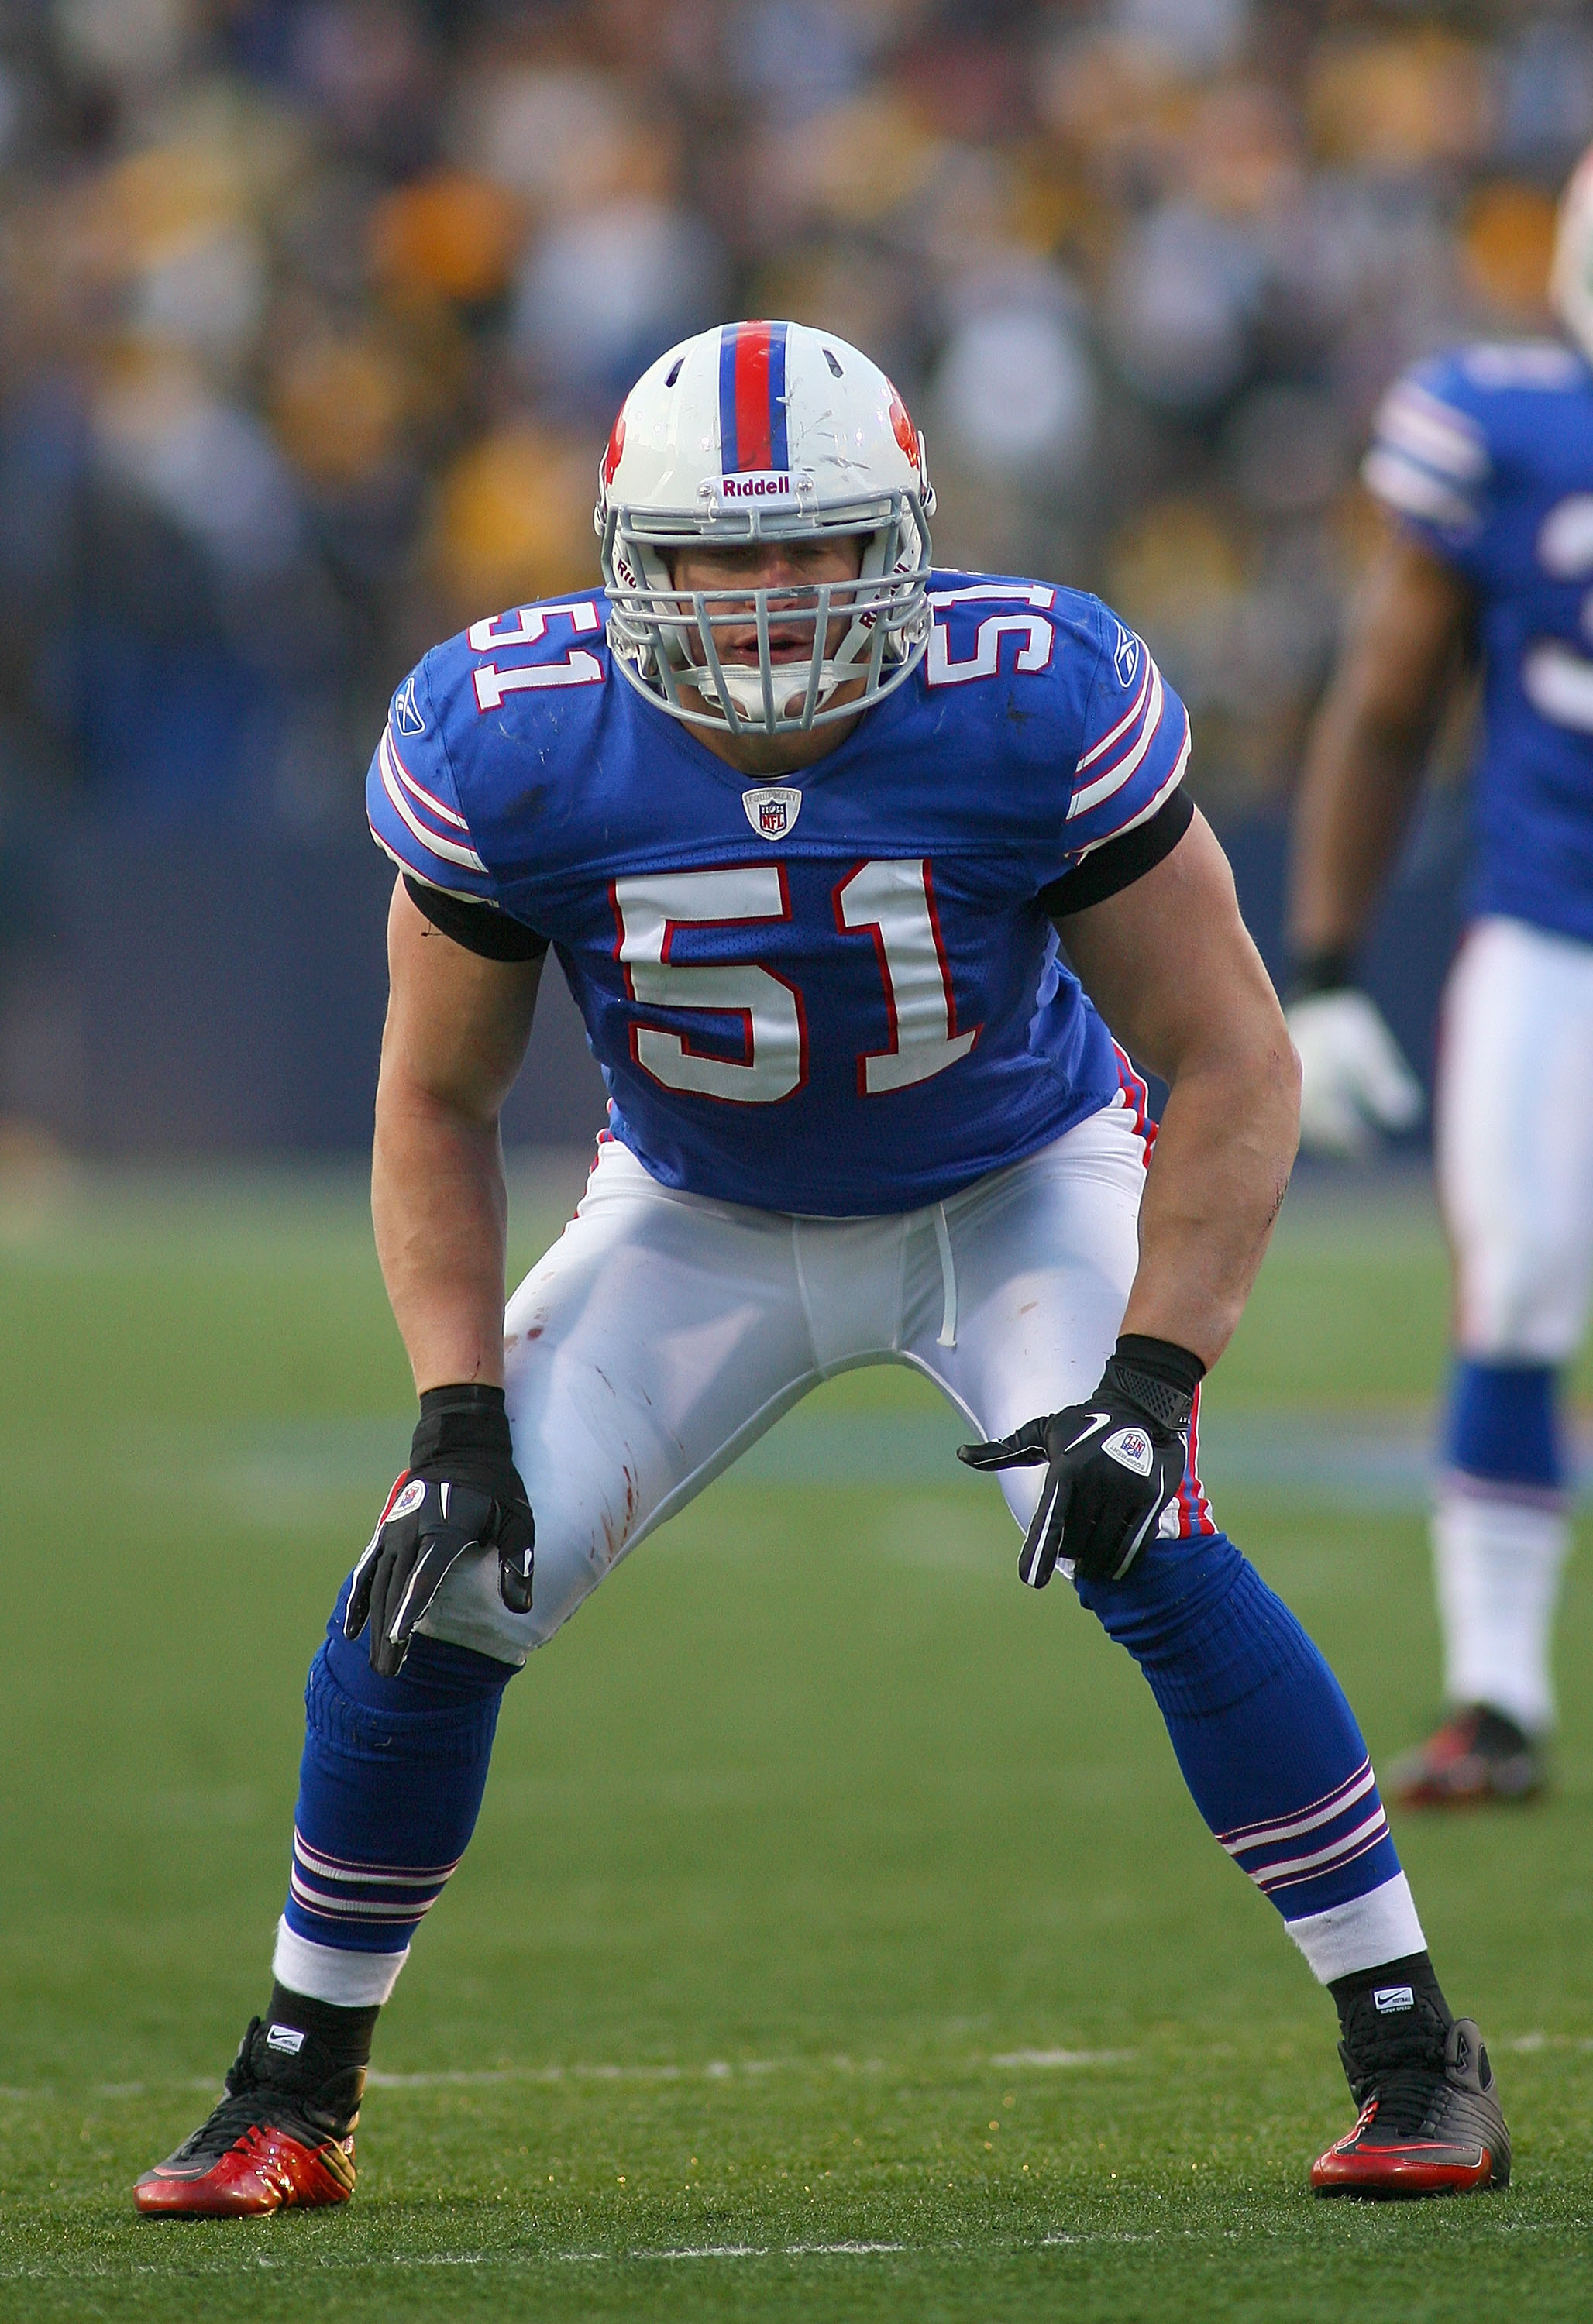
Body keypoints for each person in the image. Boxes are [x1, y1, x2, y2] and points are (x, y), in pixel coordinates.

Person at [134, 321, 1508, 2217]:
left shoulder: (1029, 693)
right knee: (430, 1587)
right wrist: (454, 1412)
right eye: (716, 558)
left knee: (1148, 1536)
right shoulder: (509, 733)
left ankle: (1411, 2047)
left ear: (907, 541)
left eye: (812, 548)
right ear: (628, 559)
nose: (767, 602)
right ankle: (291, 2086)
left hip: (1012, 1182)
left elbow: (1233, 1056)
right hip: (692, 1213)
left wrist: (1149, 1388)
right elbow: (431, 1101)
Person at [1286, 150, 1593, 1808]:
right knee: (1525, 1276)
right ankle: (1495, 1694)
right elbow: (1385, 703)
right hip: (1557, 935)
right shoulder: (1509, 429)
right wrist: (1324, 968)